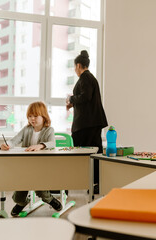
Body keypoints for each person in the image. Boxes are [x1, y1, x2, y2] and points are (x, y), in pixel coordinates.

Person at [0, 101, 62, 217]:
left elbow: (52, 143)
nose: (32, 119)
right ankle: (23, 202)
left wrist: (40, 145)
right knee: (18, 196)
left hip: (41, 167)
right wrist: (7, 145)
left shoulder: (49, 130)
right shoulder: (26, 129)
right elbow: (14, 140)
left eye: (35, 116)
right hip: (26, 168)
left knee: (41, 191)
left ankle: (50, 199)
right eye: (29, 116)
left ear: (44, 116)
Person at [66, 50, 108, 193]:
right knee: (94, 153)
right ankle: (95, 183)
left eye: (75, 67)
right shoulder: (89, 78)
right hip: (90, 123)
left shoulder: (85, 78)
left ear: (78, 65)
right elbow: (85, 99)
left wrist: (71, 99)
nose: (75, 70)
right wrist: (73, 102)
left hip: (87, 124)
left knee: (89, 154)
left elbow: (85, 97)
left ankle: (95, 183)